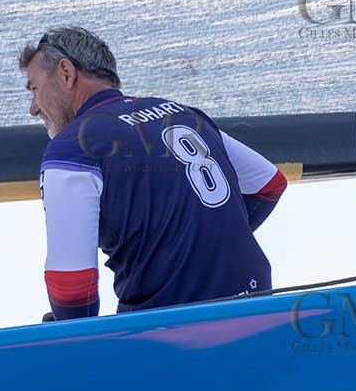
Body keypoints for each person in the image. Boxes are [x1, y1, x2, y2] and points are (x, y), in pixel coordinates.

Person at [20, 26, 285, 319]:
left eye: (34, 89)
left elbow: (71, 286)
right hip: (258, 308)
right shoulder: (184, 113)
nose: (33, 108)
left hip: (170, 336)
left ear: (66, 72)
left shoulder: (70, 148)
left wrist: (74, 344)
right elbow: (268, 184)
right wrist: (197, 247)